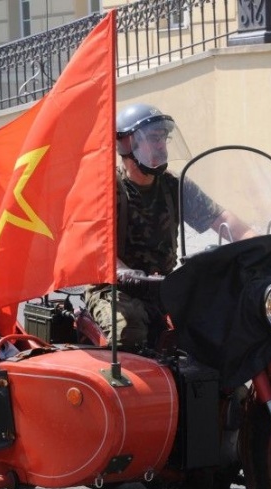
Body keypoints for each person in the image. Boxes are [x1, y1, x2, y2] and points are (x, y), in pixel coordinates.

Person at [85, 103, 253, 348]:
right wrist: (127, 274)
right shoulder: (107, 189)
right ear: (128, 144)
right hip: (114, 289)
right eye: (154, 139)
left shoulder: (174, 184)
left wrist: (260, 245)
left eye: (164, 138)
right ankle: (130, 385)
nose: (162, 146)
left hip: (164, 286)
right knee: (128, 327)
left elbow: (224, 220)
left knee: (218, 322)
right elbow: (99, 250)